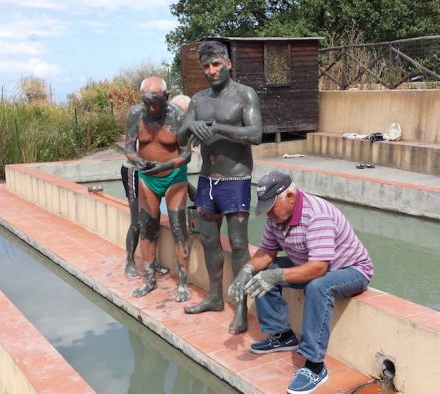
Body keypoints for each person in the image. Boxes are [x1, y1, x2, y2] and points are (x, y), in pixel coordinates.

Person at [228, 171, 374, 394]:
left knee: (318, 285)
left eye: (271, 207)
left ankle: (315, 366)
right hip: (309, 263)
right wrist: (245, 271)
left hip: (351, 270)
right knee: (264, 271)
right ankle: (283, 335)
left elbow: (319, 268)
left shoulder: (317, 215)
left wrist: (278, 276)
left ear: (290, 197)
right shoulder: (276, 217)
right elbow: (267, 251)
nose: (268, 214)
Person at [181, 40, 263, 335]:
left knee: (239, 245)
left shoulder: (244, 95)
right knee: (209, 241)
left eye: (216, 64)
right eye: (206, 66)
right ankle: (216, 297)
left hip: (236, 180)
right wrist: (191, 127)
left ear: (228, 63)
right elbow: (180, 139)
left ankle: (240, 308)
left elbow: (255, 134)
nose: (211, 70)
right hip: (207, 181)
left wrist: (217, 128)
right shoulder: (198, 100)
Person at [125, 76, 192, 302]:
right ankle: (149, 279)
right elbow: (129, 148)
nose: (152, 107)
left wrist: (167, 165)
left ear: (166, 97)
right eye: (147, 102)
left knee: (177, 228)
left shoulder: (178, 117)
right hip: (147, 178)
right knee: (147, 227)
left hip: (174, 177)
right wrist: (137, 160)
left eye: (157, 102)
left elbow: (186, 154)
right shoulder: (136, 115)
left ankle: (183, 282)